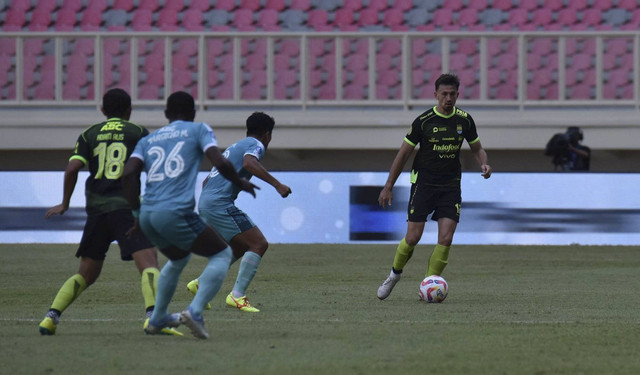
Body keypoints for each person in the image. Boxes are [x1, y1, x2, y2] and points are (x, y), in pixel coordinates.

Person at [38, 88, 180, 336]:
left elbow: (72, 169)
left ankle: (51, 317)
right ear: (129, 110)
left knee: (86, 274)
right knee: (149, 263)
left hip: (97, 211)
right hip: (126, 208)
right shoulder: (137, 132)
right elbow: (153, 169)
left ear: (103, 111)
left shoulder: (89, 134)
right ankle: (153, 319)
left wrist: (64, 203)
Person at [121, 91, 257, 339]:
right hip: (175, 211)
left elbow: (128, 173)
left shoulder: (148, 139)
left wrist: (136, 213)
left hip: (149, 214)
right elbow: (219, 161)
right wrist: (239, 181)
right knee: (222, 254)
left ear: (166, 114)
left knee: (179, 258)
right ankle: (194, 312)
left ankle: (158, 318)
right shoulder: (198, 130)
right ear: (193, 113)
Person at [376, 73, 492, 300]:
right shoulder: (424, 121)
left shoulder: (464, 120)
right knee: (413, 238)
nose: (448, 98)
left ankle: (427, 285)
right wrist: (388, 185)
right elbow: (403, 154)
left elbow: (477, 148)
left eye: (452, 94)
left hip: (450, 186)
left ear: (458, 95)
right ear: (436, 95)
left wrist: (484, 163)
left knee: (446, 238)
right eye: (444, 94)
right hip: (424, 185)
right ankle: (394, 275)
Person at [186, 112, 292, 313]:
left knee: (236, 247)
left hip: (207, 202)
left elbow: (207, 180)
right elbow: (249, 163)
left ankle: (201, 284)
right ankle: (237, 296)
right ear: (267, 135)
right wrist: (277, 185)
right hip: (218, 204)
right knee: (258, 244)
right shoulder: (256, 145)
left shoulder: (234, 147)